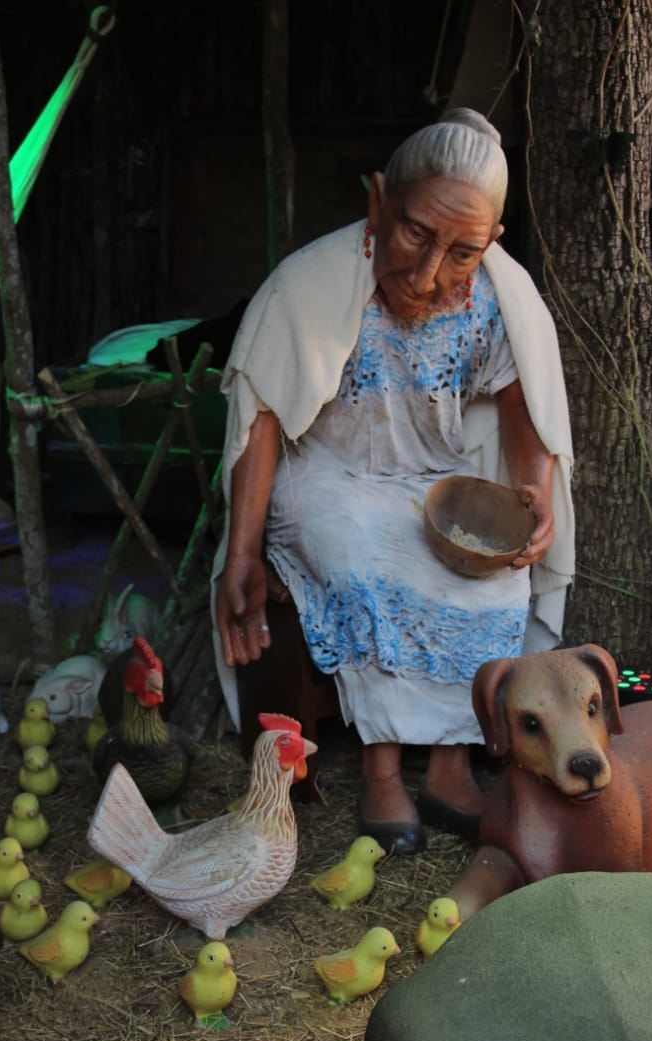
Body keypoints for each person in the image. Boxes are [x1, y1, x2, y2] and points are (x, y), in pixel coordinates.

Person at [212, 108, 574, 855]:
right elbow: (264, 419)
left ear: (492, 243)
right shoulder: (308, 286)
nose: (429, 272)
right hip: (326, 476)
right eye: (414, 233)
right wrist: (242, 554)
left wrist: (531, 487)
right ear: (377, 200)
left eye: (463, 251)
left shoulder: (498, 299)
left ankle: (448, 767)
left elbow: (520, 395)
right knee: (362, 560)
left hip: (433, 477)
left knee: (494, 579)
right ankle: (381, 769)